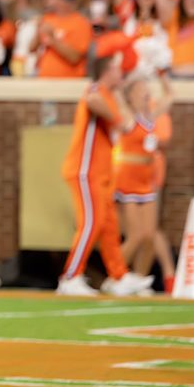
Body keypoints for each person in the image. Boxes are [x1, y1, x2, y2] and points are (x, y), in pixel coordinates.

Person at [58, 36, 153, 297]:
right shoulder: (96, 90)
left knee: (109, 225)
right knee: (92, 222)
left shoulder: (111, 94)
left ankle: (118, 275)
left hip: (101, 172)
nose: (120, 71)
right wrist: (117, 119)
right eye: (116, 67)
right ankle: (70, 276)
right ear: (107, 69)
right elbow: (94, 104)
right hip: (84, 169)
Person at [114, 74, 172, 291]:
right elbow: (116, 94)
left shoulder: (151, 115)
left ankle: (138, 278)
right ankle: (115, 274)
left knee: (149, 235)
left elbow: (169, 97)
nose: (145, 92)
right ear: (131, 95)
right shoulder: (128, 115)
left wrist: (162, 76)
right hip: (128, 178)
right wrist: (126, 81)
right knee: (135, 234)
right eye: (140, 89)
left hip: (146, 178)